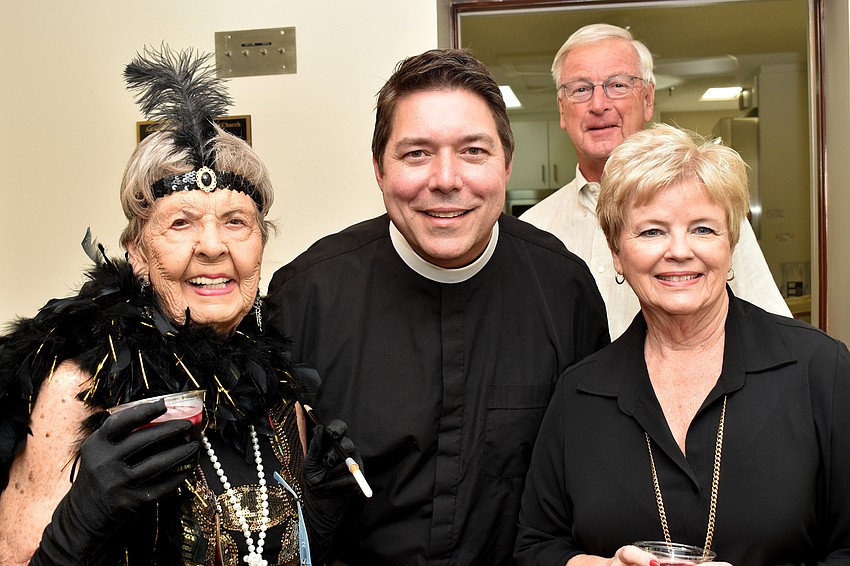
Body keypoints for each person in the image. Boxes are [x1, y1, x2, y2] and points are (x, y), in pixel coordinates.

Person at [0, 46, 359, 566]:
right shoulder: (78, 390)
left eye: (236, 221)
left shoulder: (280, 391)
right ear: (137, 253)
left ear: (261, 244)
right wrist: (79, 524)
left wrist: (320, 514)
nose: (213, 247)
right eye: (181, 222)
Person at [264, 48, 610, 565]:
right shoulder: (305, 296)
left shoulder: (565, 290)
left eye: (473, 151)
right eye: (416, 153)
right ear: (379, 169)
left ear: (507, 165)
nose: (446, 179)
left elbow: (589, 481)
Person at [514, 123, 850, 565]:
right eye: (652, 231)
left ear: (731, 244)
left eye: (703, 229)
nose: (679, 250)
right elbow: (537, 546)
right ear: (617, 252)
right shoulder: (579, 393)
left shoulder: (819, 370)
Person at [520, 23, 791, 340]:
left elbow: (774, 334)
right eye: (580, 89)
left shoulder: (708, 210)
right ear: (562, 110)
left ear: (648, 99)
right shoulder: (533, 230)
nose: (598, 104)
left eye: (617, 85)